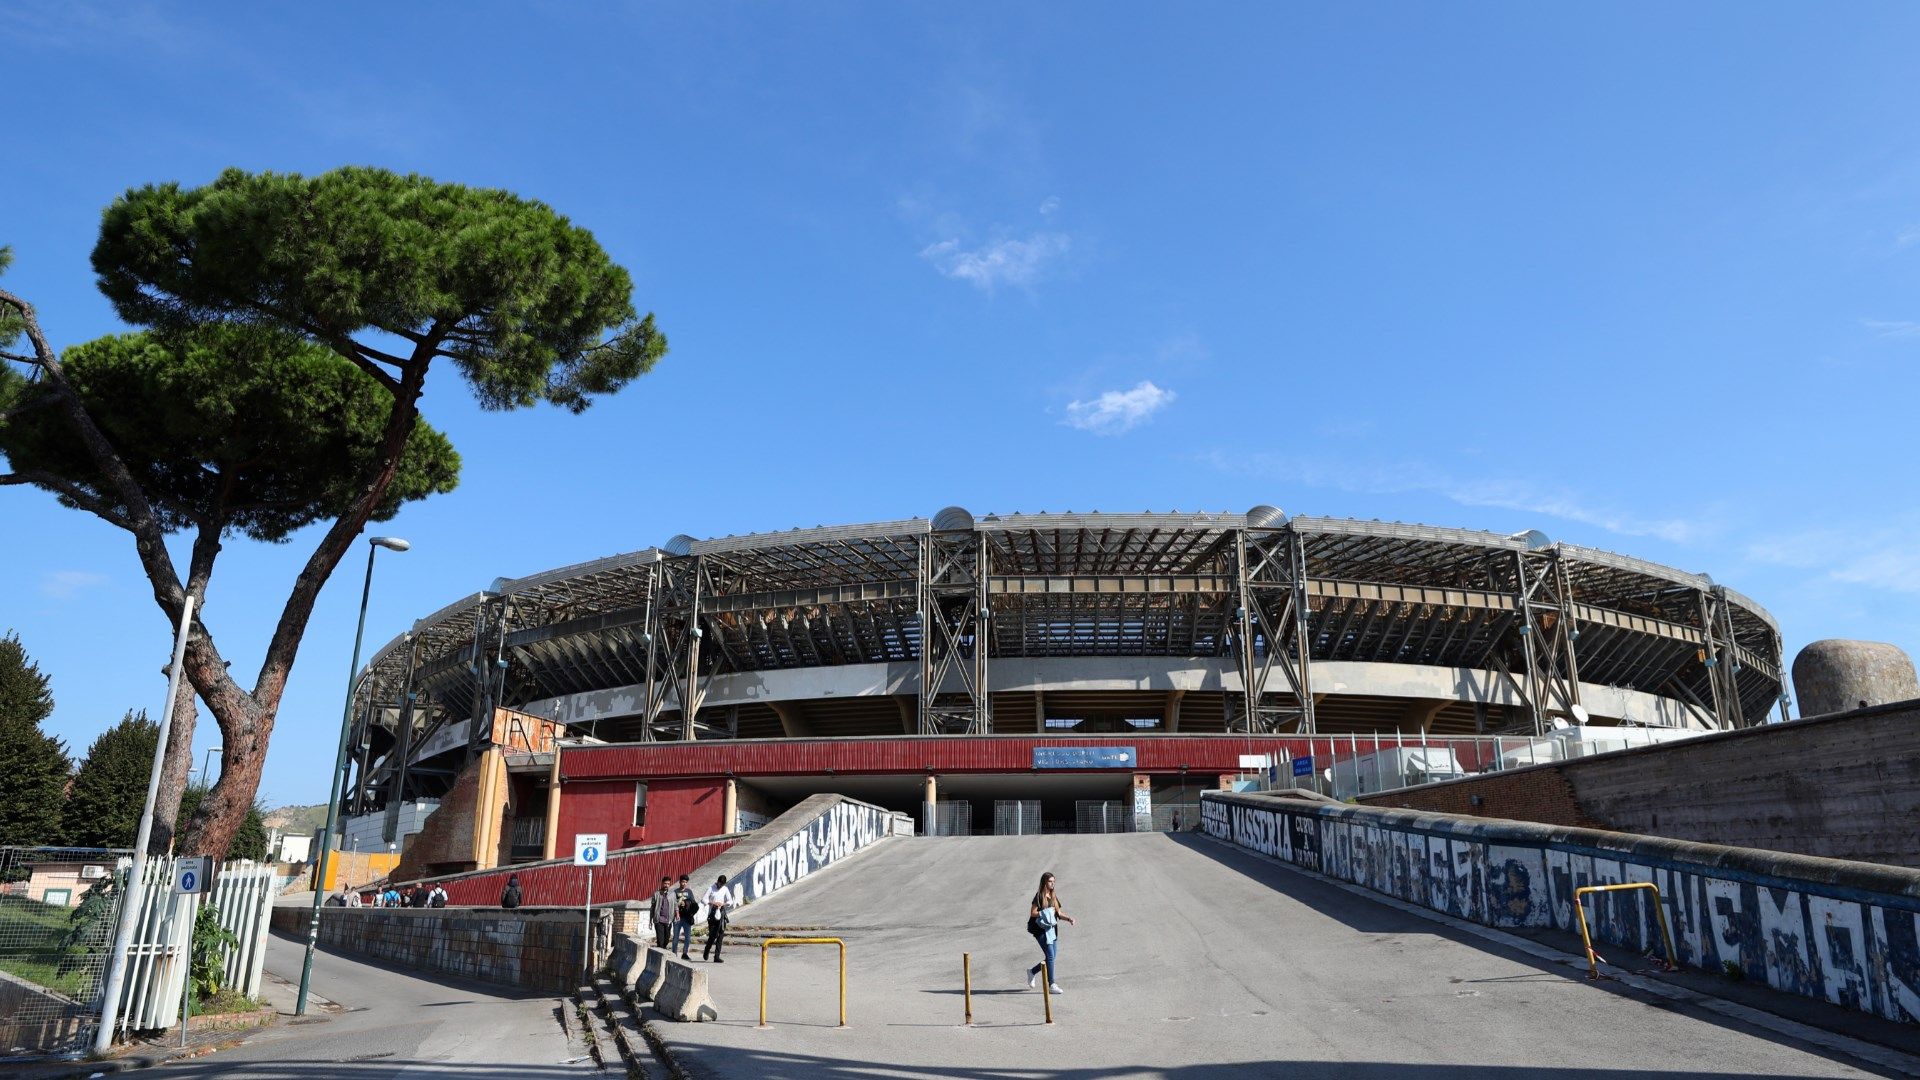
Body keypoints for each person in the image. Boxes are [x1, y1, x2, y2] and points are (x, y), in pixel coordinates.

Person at [1025, 871, 1074, 995]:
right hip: (1040, 930)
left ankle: (1032, 972)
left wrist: (1069, 919)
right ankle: (1051, 984)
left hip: (1051, 930)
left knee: (1051, 957)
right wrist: (1044, 912)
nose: (1052, 884)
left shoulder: (1053, 896)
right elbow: (1033, 912)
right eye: (1050, 881)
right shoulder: (1039, 896)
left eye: (1053, 881)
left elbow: (1058, 913)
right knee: (1051, 956)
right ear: (1044, 882)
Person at [701, 874, 733, 963]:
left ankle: (717, 956)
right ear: (717, 882)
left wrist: (723, 904)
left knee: (721, 935)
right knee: (713, 935)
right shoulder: (711, 888)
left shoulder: (725, 889)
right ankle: (707, 950)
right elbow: (703, 899)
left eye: (722, 884)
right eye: (719, 884)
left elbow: (730, 901)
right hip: (712, 914)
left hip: (722, 913)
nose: (720, 886)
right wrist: (712, 903)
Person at [670, 874, 698, 959]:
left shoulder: (689, 892)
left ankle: (685, 953)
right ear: (679, 882)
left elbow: (693, 903)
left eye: (686, 882)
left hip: (687, 918)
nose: (684, 883)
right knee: (676, 937)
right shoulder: (675, 892)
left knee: (688, 937)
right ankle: (674, 953)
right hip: (678, 917)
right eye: (683, 882)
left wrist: (687, 905)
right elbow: (672, 904)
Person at [651, 877, 674, 949]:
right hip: (659, 920)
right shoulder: (656, 894)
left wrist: (677, 915)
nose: (666, 885)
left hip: (668, 920)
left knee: (666, 939)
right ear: (662, 883)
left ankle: (662, 952)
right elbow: (652, 908)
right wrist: (650, 920)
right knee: (660, 940)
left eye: (668, 884)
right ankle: (659, 955)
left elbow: (675, 905)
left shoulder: (672, 894)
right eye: (665, 883)